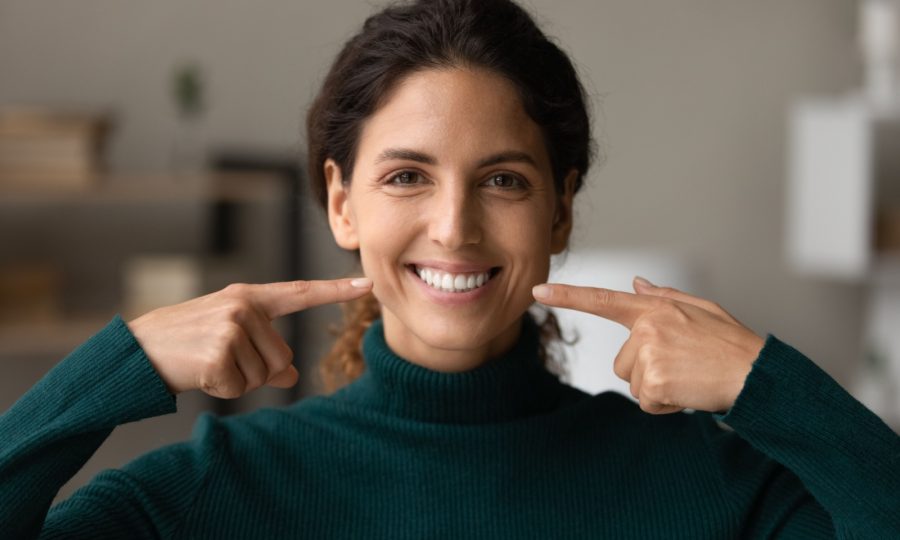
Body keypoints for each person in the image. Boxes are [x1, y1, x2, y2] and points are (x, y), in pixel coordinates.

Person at [1, 0, 898, 537]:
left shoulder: (702, 485)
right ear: (342, 202)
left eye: (502, 179)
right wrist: (125, 363)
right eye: (406, 177)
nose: (455, 226)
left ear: (561, 206)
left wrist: (761, 381)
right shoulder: (217, 491)